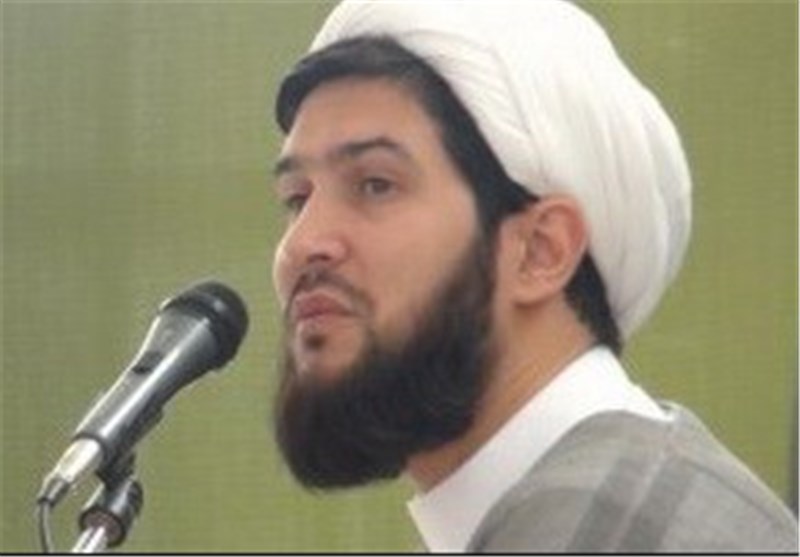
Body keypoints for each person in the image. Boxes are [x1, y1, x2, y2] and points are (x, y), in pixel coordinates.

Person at [268, 0, 798, 552]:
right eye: (296, 199)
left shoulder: (622, 529)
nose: (301, 244)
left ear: (541, 252)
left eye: (375, 185)